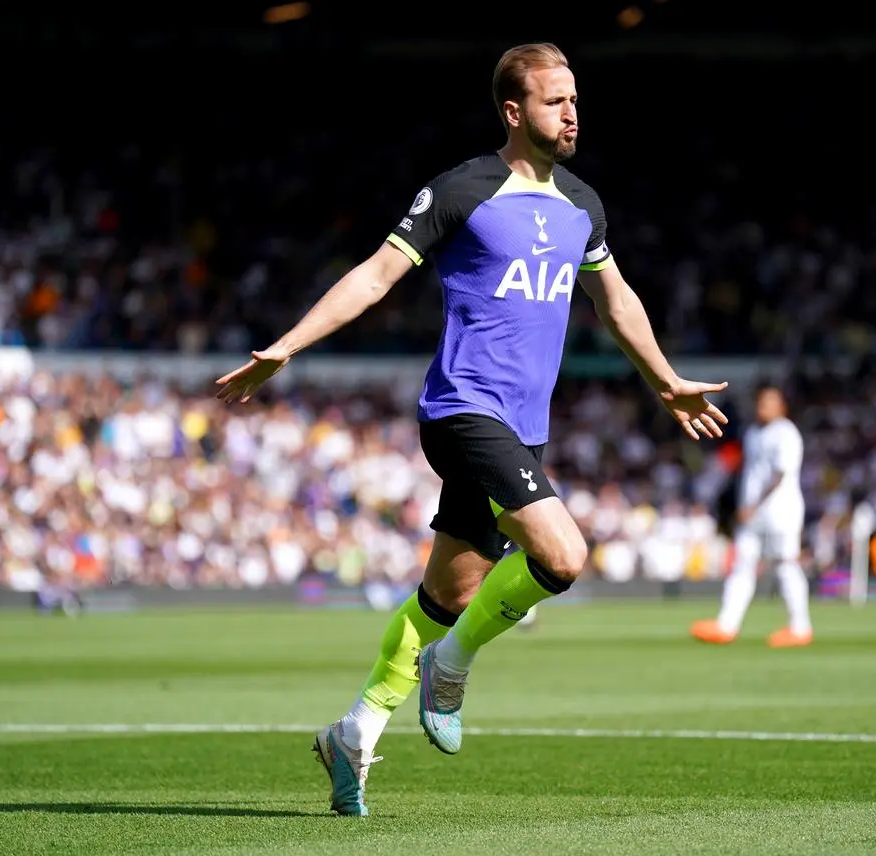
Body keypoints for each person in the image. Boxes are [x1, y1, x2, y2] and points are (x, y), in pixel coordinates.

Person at [215, 42, 730, 816]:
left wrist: (664, 381)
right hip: (462, 409)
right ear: (514, 111)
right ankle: (449, 668)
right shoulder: (465, 189)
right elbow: (377, 273)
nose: (573, 113)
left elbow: (616, 303)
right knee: (563, 554)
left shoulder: (583, 206)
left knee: (449, 592)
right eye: (557, 101)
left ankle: (352, 733)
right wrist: (287, 345)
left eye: (577, 99)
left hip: (524, 427)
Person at [690, 384, 811, 648]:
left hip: (781, 511)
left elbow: (781, 475)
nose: (763, 407)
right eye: (761, 401)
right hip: (752, 513)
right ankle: (726, 625)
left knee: (785, 564)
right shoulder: (753, 432)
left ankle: (800, 627)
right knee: (742, 565)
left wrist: (753, 506)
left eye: (770, 402)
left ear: (782, 407)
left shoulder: (786, 433)